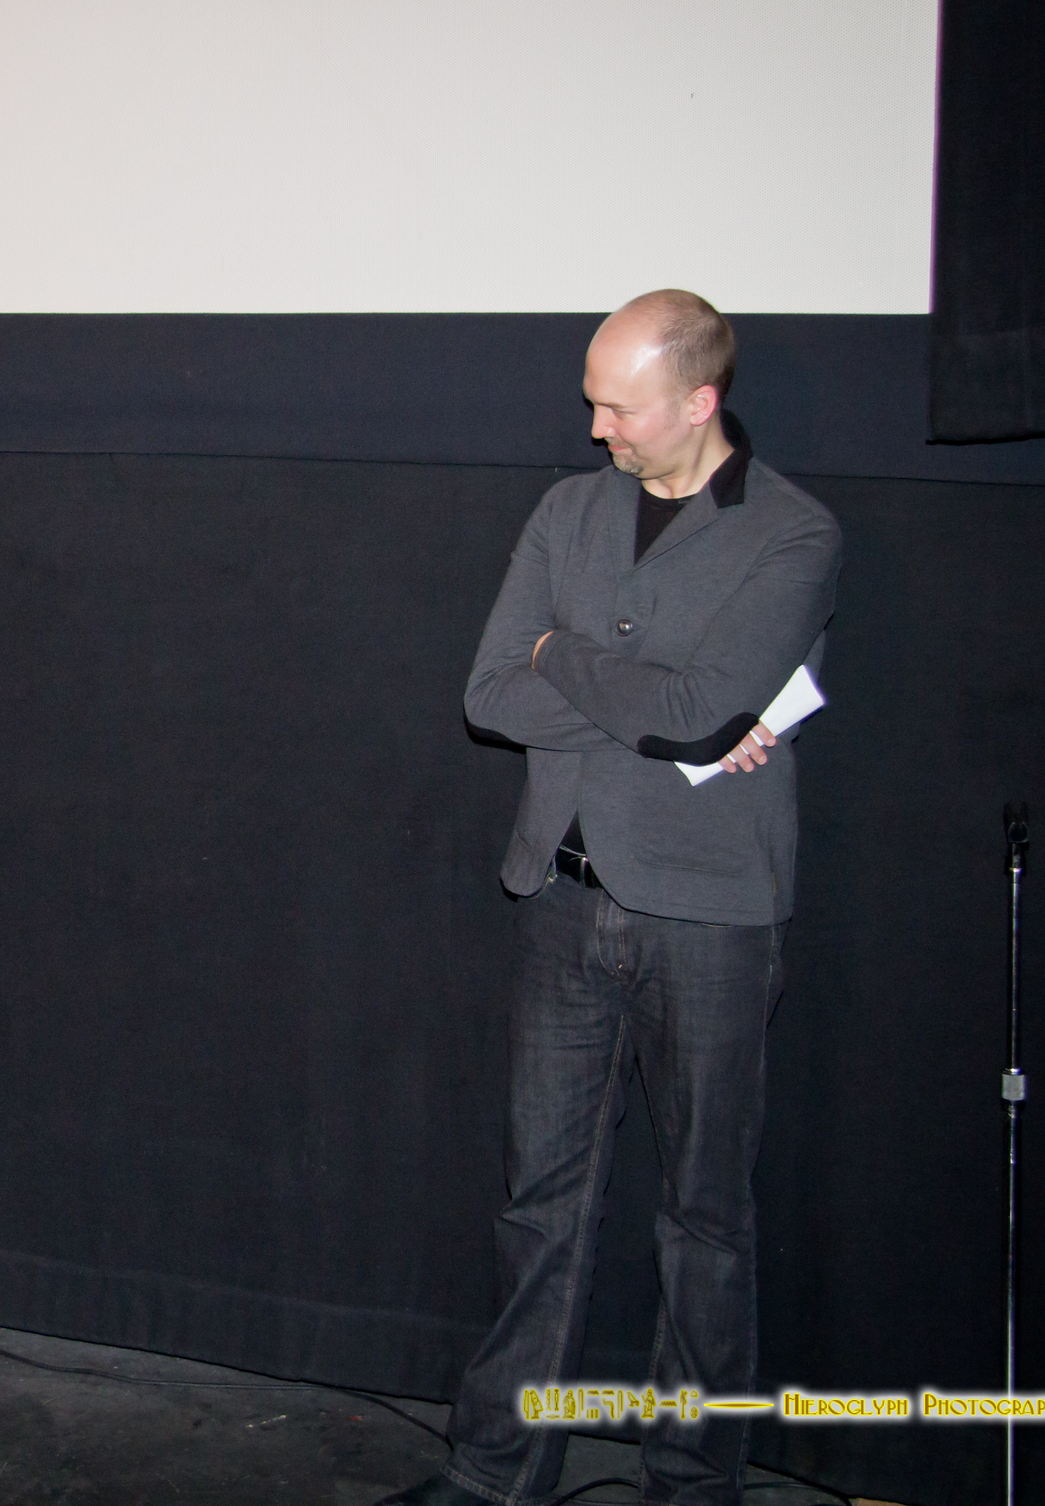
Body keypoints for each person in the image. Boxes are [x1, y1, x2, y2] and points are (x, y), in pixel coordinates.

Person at [381, 292, 841, 1506]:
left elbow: (699, 715)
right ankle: (496, 1473)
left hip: (710, 918)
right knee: (540, 1207)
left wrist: (567, 662)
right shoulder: (565, 510)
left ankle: (692, 1483)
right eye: (591, 399)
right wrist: (651, 704)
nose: (596, 429)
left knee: (704, 1223)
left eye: (617, 405)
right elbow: (491, 692)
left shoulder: (793, 535)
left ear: (698, 401)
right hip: (559, 901)